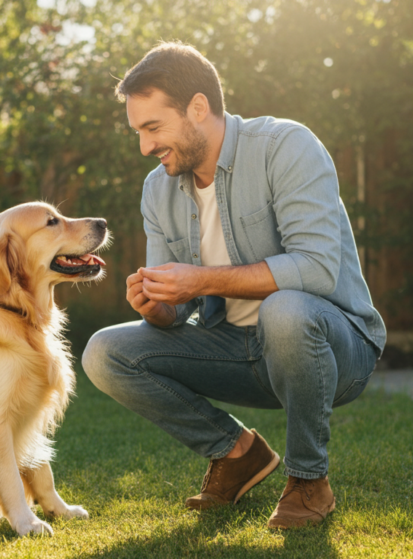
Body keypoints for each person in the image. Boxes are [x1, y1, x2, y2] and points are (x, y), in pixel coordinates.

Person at [81, 42, 386, 529]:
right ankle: (235, 452)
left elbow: (317, 269)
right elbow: (176, 310)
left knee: (284, 309)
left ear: (198, 108)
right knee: (104, 352)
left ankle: (309, 480)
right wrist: (156, 306)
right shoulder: (157, 188)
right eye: (137, 131)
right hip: (236, 350)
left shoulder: (286, 147)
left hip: (332, 347)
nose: (144, 146)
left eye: (153, 127)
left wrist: (199, 280)